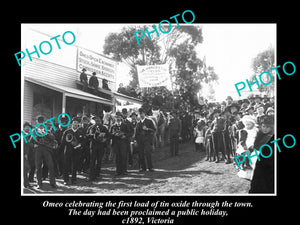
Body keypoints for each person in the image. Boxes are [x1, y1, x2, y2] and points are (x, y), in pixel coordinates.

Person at [249, 115, 274, 193]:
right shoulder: (258, 134)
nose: (265, 129)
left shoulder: (271, 136)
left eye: (268, 127)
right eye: (264, 126)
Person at [60, 118, 83, 185]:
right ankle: (65, 180)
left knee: (75, 166)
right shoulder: (66, 132)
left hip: (76, 151)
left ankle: (74, 180)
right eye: (74, 122)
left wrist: (79, 145)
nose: (75, 124)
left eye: (76, 123)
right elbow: (62, 142)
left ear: (78, 124)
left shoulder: (80, 132)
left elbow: (83, 142)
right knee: (66, 166)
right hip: (68, 150)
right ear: (71, 124)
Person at [34, 124, 57, 189]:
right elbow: (31, 141)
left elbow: (53, 138)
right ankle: (39, 184)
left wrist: (45, 133)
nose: (41, 128)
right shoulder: (35, 133)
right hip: (38, 151)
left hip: (47, 150)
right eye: (39, 127)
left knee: (51, 166)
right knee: (38, 167)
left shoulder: (48, 132)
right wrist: (34, 146)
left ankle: (53, 183)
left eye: (42, 127)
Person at [87, 116, 109, 181]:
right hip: (93, 146)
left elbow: (108, 135)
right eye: (96, 121)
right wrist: (93, 135)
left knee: (99, 161)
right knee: (92, 161)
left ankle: (97, 175)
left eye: (98, 121)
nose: (97, 122)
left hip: (101, 146)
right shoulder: (91, 128)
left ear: (100, 121)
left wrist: (104, 139)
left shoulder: (104, 128)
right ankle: (91, 176)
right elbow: (87, 135)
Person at [135, 108, 156, 172]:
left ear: (144, 114)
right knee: (141, 154)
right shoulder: (138, 123)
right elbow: (137, 133)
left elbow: (154, 130)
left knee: (148, 153)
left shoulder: (149, 121)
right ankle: (143, 167)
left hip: (147, 140)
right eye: (140, 114)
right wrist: (136, 140)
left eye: (142, 113)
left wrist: (147, 129)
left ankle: (150, 167)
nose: (141, 115)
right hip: (140, 141)